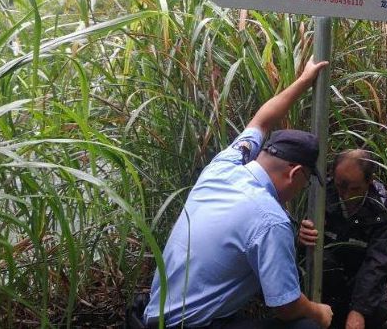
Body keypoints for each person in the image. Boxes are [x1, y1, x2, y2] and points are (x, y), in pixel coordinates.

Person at [142, 58, 334, 329]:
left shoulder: (224, 165)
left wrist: (304, 80)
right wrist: (319, 312)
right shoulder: (270, 220)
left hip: (157, 316)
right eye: (306, 181)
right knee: (308, 326)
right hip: (191, 326)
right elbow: (286, 307)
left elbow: (262, 121)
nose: (302, 188)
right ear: (295, 173)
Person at [298, 150, 387, 329]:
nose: (346, 196)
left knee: (379, 312)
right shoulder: (319, 195)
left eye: (354, 189)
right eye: (340, 186)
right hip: (322, 282)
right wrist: (299, 237)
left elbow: (377, 263)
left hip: (359, 283)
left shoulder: (382, 210)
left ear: (369, 181)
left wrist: (359, 310)